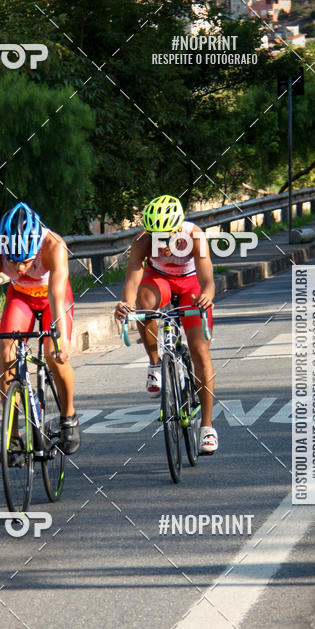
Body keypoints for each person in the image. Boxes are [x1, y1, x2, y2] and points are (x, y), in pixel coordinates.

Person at [0, 201, 80, 458]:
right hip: (22, 297)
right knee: (6, 353)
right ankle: (13, 434)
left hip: (53, 299)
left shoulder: (54, 246)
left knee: (54, 355)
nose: (18, 268)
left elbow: (57, 298)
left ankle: (69, 416)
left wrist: (62, 340)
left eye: (26, 262)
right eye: (14, 262)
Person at [115, 194, 218, 454]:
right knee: (143, 301)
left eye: (166, 238)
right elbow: (132, 280)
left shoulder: (194, 235)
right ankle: (154, 364)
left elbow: (207, 278)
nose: (161, 246)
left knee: (200, 351)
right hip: (159, 279)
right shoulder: (142, 241)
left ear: (177, 230)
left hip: (190, 283)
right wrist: (126, 304)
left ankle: (207, 425)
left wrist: (207, 295)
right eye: (155, 238)